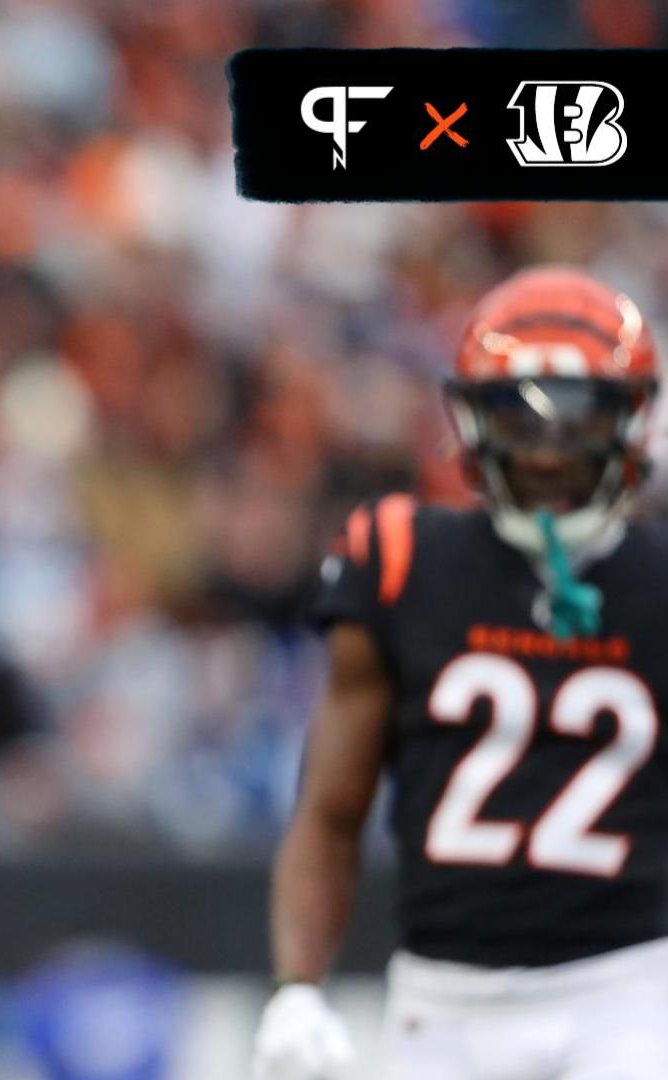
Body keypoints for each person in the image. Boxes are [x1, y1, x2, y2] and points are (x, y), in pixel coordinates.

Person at [254, 266, 668, 1080]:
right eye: (521, 419)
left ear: (629, 423)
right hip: (444, 1002)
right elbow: (332, 812)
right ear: (474, 421)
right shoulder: (402, 561)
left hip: (633, 994)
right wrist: (296, 986)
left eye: (577, 422)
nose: (549, 456)